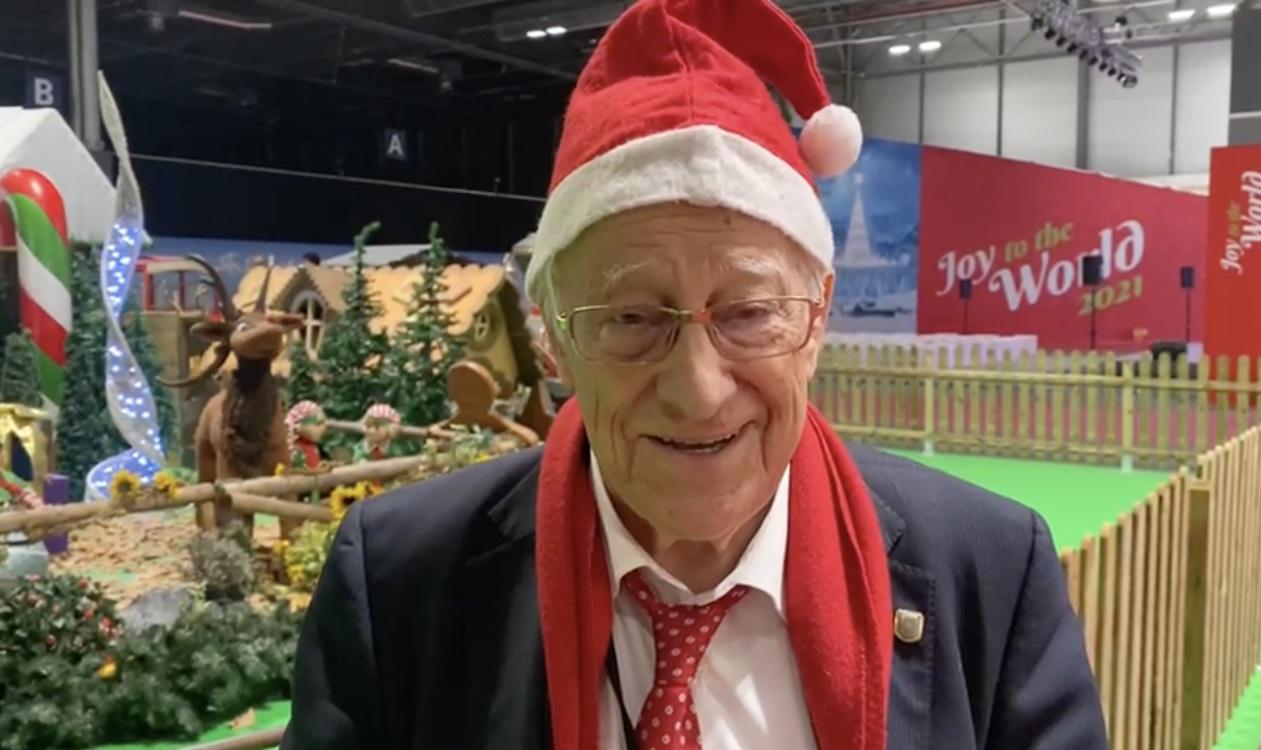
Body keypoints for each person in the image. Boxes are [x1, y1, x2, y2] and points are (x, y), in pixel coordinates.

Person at [284, 0, 1107, 748]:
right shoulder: (398, 585)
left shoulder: (991, 575)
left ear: (815, 320)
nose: (697, 389)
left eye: (749, 314)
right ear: (554, 338)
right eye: (630, 318)